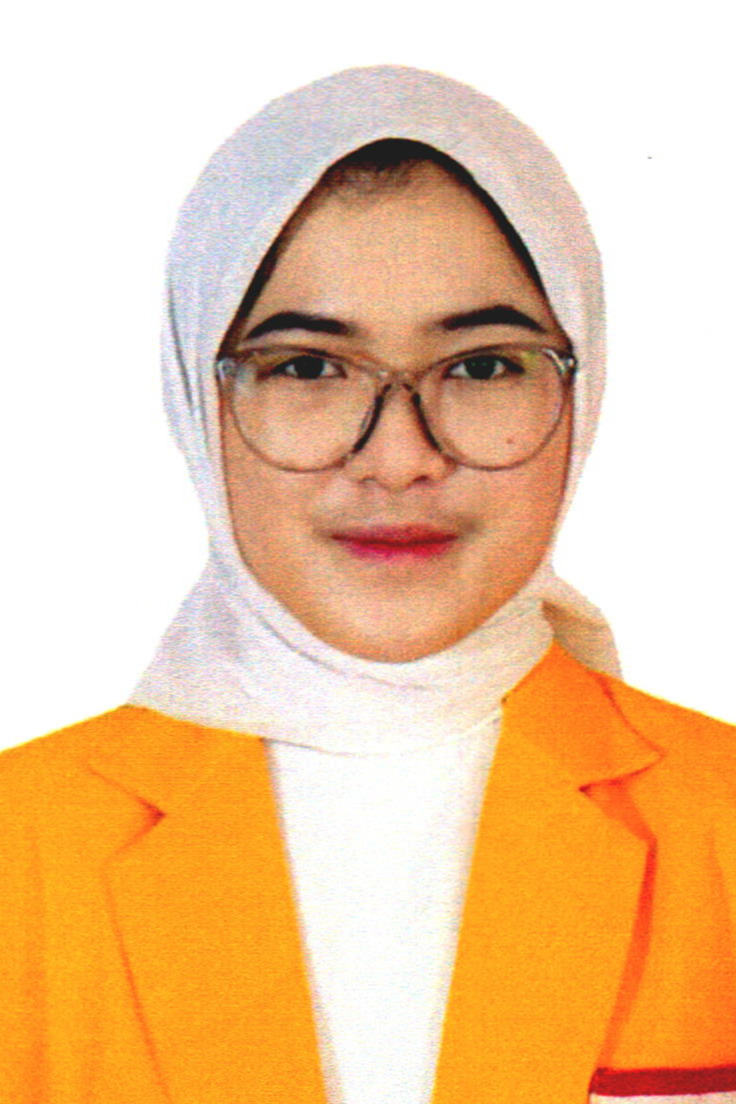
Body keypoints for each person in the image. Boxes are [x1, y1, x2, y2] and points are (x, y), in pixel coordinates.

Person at [2, 65, 735, 1104]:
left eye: (482, 366)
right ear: (194, 394)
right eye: (308, 367)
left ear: (583, 388)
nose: (398, 459)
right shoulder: (17, 851)